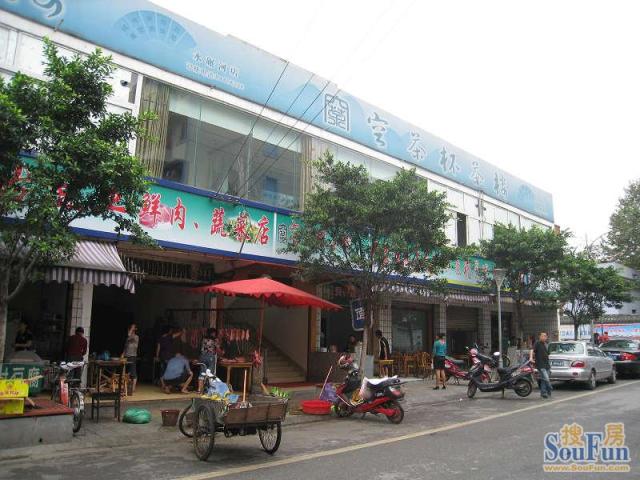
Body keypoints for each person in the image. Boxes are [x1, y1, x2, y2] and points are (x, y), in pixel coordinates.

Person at [530, 332, 552, 399]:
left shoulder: (546, 344)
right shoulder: (537, 343)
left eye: (545, 336)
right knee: (546, 379)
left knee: (543, 380)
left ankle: (543, 393)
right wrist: (531, 358)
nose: (544, 337)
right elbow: (532, 350)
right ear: (540, 337)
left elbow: (548, 354)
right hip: (541, 365)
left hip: (547, 365)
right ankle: (550, 388)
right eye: (542, 336)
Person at [122, 323, 139, 395]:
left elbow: (129, 335)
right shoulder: (128, 338)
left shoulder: (136, 337)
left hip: (132, 356)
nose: (130, 330)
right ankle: (125, 387)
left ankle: (133, 388)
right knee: (126, 372)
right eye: (130, 328)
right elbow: (125, 347)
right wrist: (122, 354)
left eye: (132, 328)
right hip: (126, 356)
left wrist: (132, 329)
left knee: (133, 372)